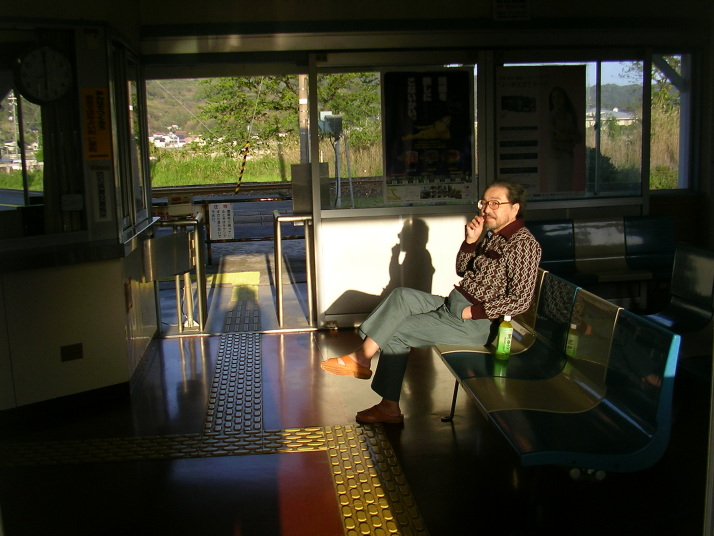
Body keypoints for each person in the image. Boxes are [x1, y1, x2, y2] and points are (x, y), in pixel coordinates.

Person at [320, 179, 542, 424]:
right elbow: (462, 270)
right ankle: (363, 358)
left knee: (396, 332)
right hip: (453, 304)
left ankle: (386, 402)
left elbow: (521, 300)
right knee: (401, 296)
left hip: (474, 322)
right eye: (484, 203)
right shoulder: (492, 235)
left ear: (515, 208)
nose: (486, 209)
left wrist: (473, 312)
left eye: (495, 203)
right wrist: (470, 242)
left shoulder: (524, 244)